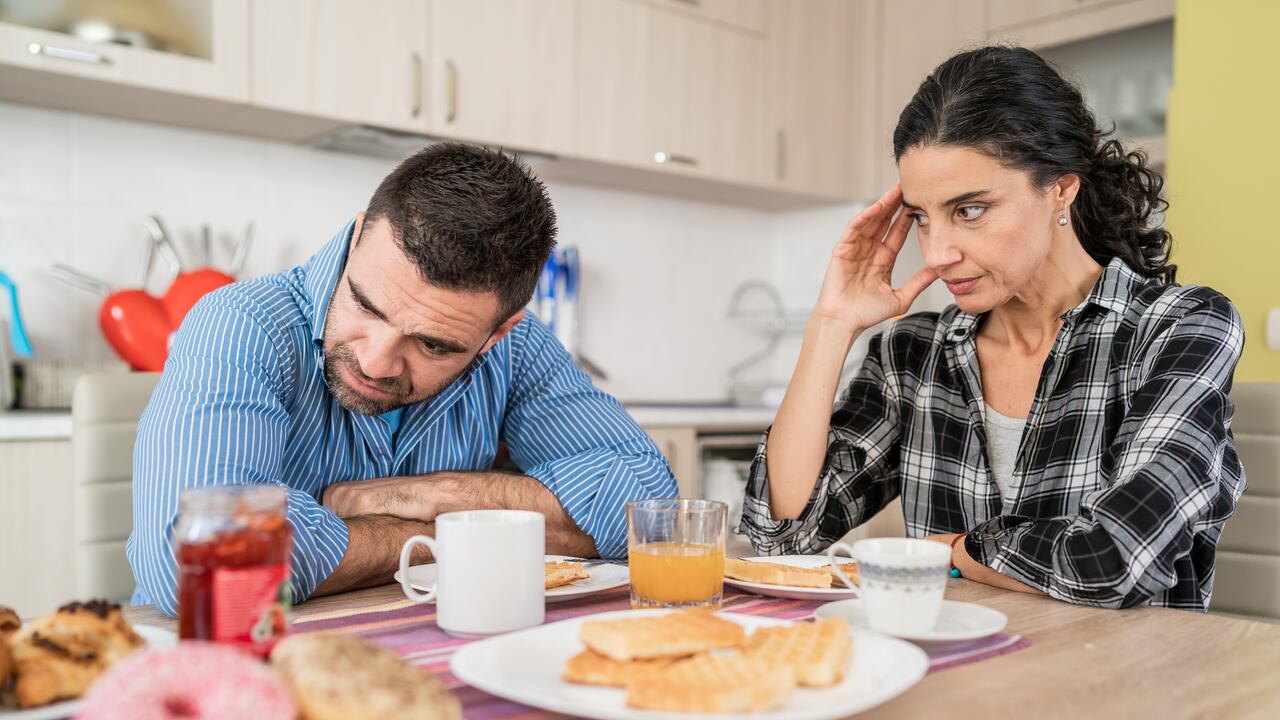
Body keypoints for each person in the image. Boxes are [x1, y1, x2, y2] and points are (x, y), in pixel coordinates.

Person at [741, 47, 1244, 610]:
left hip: (1120, 687)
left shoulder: (1178, 328)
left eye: (970, 209)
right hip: (954, 679)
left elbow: (1115, 559)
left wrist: (954, 552)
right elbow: (782, 536)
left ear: (1060, 188)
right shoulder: (914, 352)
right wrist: (831, 325)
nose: (937, 253)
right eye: (921, 217)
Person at [129, 143, 676, 616]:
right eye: (366, 305)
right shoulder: (241, 323)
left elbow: (653, 509)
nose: (375, 362)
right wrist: (448, 537)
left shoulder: (519, 347)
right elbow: (200, 562)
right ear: (359, 233)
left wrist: (436, 494)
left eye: (433, 344)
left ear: (497, 331)